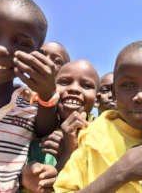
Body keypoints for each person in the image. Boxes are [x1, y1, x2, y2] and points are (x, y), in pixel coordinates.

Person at [54, 41, 142, 193]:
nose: (140, 96)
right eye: (128, 85)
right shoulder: (92, 137)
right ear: (114, 92)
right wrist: (121, 172)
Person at [0, 0, 59, 192]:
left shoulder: (28, 103)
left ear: (35, 55)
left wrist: (47, 93)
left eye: (22, 43)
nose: (2, 48)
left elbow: (45, 130)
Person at [22, 60, 100, 193]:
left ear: (97, 99)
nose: (74, 89)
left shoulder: (101, 136)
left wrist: (70, 152)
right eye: (64, 82)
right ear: (52, 89)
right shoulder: (33, 132)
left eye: (86, 86)